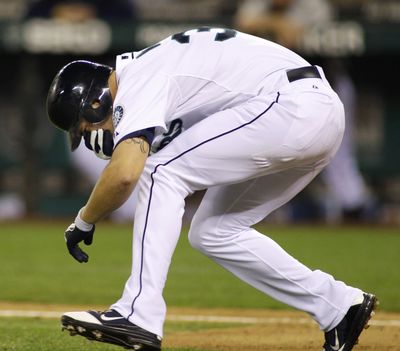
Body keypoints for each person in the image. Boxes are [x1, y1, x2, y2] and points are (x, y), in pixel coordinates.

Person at [46, 28, 377, 351]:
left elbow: (124, 175)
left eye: (86, 125)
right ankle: (338, 307)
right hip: (313, 112)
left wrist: (85, 220)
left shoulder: (138, 76)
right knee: (212, 231)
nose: (92, 132)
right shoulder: (154, 69)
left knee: (159, 172)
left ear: (94, 102)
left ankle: (138, 314)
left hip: (289, 105)